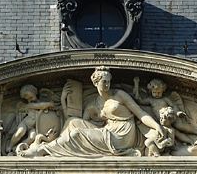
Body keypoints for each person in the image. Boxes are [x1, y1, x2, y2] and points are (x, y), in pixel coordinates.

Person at [18, 66, 165, 157]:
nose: (107, 84)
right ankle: (55, 145)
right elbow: (77, 121)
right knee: (72, 123)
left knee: (76, 135)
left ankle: (42, 150)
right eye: (103, 81)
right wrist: (63, 99)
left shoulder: (119, 95)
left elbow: (140, 113)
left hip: (122, 136)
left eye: (108, 81)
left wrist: (157, 126)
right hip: (107, 131)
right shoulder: (94, 103)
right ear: (95, 83)